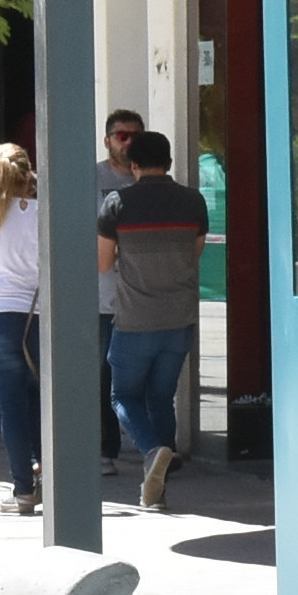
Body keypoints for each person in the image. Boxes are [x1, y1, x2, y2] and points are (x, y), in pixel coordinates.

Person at [96, 129, 206, 508]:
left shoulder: (117, 203)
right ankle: (156, 487)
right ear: (170, 163)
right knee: (161, 397)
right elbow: (194, 253)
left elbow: (103, 263)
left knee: (122, 395)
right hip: (179, 319)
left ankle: (152, 450)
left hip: (134, 320)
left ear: (133, 166)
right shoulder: (193, 201)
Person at [0, 144, 49, 515]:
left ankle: (23, 490)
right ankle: (45, 472)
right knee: (41, 401)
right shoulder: (45, 215)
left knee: (12, 405)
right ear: (28, 172)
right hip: (39, 318)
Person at [92, 109, 144, 473]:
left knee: (146, 377)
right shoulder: (92, 178)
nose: (128, 142)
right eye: (121, 136)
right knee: (103, 376)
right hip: (103, 298)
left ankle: (155, 448)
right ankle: (105, 450)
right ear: (108, 140)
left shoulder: (151, 179)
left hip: (144, 299)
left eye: (135, 136)